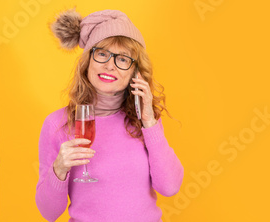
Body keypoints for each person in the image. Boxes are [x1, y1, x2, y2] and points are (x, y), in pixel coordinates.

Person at [35, 8, 184, 222]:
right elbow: (49, 213)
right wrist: (59, 169)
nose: (109, 65)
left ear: (135, 71)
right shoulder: (57, 124)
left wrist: (150, 122)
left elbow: (170, 187)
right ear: (87, 62)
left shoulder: (144, 122)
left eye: (122, 59)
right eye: (102, 53)